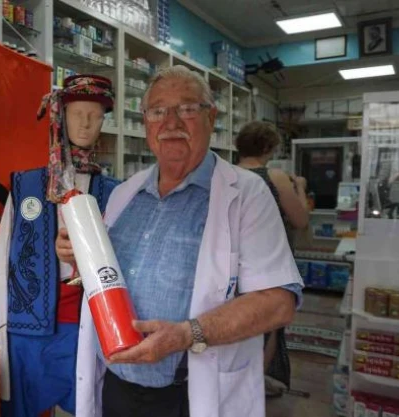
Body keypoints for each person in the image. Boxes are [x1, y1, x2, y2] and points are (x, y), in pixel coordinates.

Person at [56, 65, 303, 417]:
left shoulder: (247, 193)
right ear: (145, 122)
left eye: (186, 108)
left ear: (211, 117)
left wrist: (188, 334)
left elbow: (279, 302)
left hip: (189, 395)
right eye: (158, 111)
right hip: (115, 384)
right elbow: (107, 276)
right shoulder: (124, 194)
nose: (170, 122)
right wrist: (77, 255)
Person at [0, 74, 120, 417]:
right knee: (23, 406)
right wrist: (1, 334)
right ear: (61, 117)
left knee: (90, 403)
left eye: (95, 115)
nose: (86, 123)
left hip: (90, 324)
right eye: (77, 113)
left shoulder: (116, 191)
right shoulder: (26, 186)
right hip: (28, 325)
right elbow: (3, 262)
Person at [234, 121, 310, 397]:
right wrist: (300, 187)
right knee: (269, 323)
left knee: (236, 320)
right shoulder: (273, 177)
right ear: (268, 148)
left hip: (232, 260)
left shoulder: (226, 174)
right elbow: (300, 220)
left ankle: (236, 381)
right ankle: (254, 387)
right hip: (268, 261)